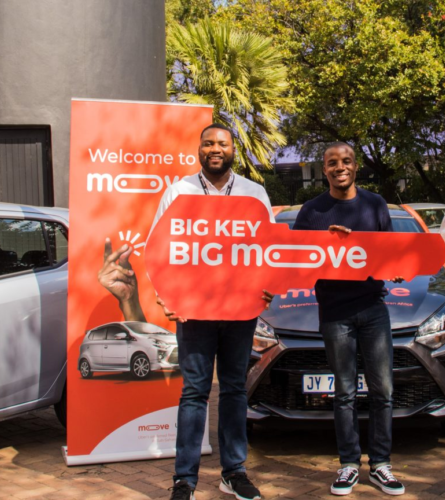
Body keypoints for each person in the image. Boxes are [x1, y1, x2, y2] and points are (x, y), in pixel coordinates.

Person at [99, 123, 274, 500]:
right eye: (208, 143)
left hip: (240, 310)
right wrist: (166, 297)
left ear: (233, 150)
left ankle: (234, 473)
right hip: (193, 312)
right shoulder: (179, 191)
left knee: (234, 391)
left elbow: (269, 249)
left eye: (222, 143)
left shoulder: (254, 192)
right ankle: (185, 480)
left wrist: (269, 288)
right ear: (199, 149)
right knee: (195, 392)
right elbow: (159, 249)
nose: (215, 149)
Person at [292, 142, 405, 496]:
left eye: (346, 161)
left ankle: (381, 465)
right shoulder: (311, 211)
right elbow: (294, 260)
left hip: (373, 309)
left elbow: (390, 254)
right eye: (332, 163)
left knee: (383, 390)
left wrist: (398, 268)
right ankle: (349, 465)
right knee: (344, 393)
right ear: (324, 169)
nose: (339, 167)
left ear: (356, 166)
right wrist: (328, 245)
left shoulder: (375, 204)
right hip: (334, 313)